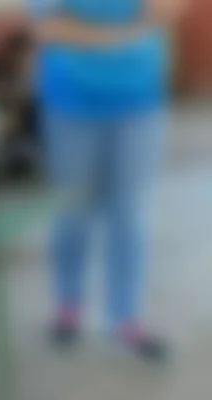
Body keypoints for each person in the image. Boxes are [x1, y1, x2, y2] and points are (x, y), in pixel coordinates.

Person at [33, 0, 181, 359]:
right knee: (71, 214)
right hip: (70, 106)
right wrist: (130, 31)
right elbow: (49, 27)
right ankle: (68, 308)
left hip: (138, 106)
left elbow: (169, 9)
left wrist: (91, 33)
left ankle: (125, 319)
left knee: (128, 217)